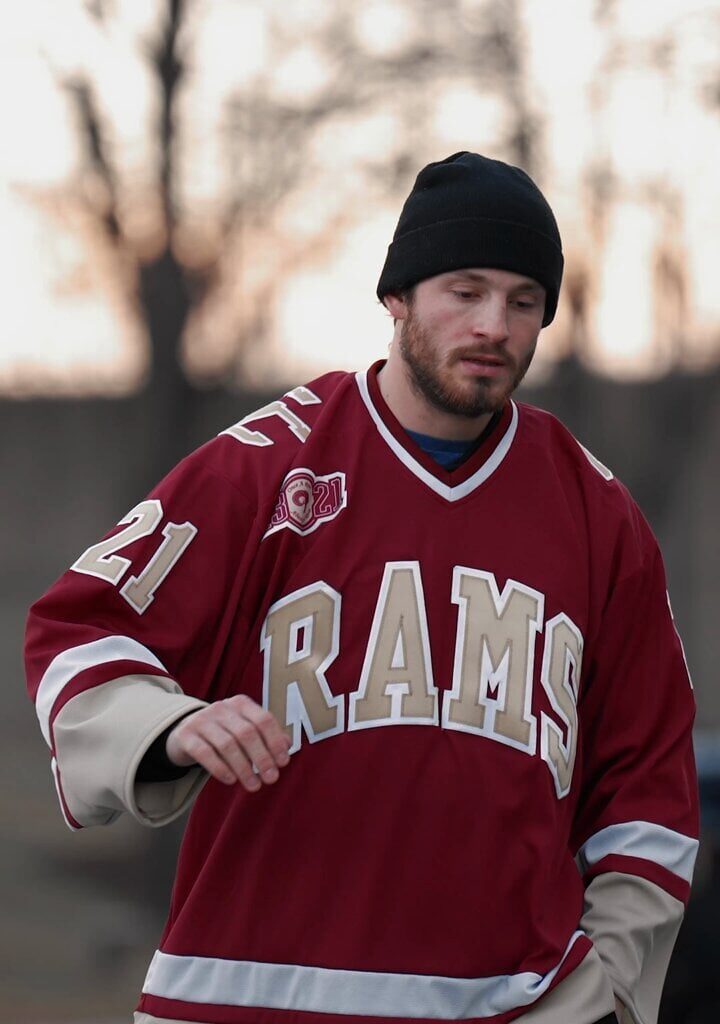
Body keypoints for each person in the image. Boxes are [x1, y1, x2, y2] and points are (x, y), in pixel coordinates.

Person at [25, 152, 698, 1024]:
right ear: (399, 296)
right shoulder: (262, 467)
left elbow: (651, 784)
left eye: (524, 301)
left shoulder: (598, 515)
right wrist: (174, 722)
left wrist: (608, 992)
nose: (495, 323)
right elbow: (76, 630)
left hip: (504, 1004)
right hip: (243, 998)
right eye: (466, 290)